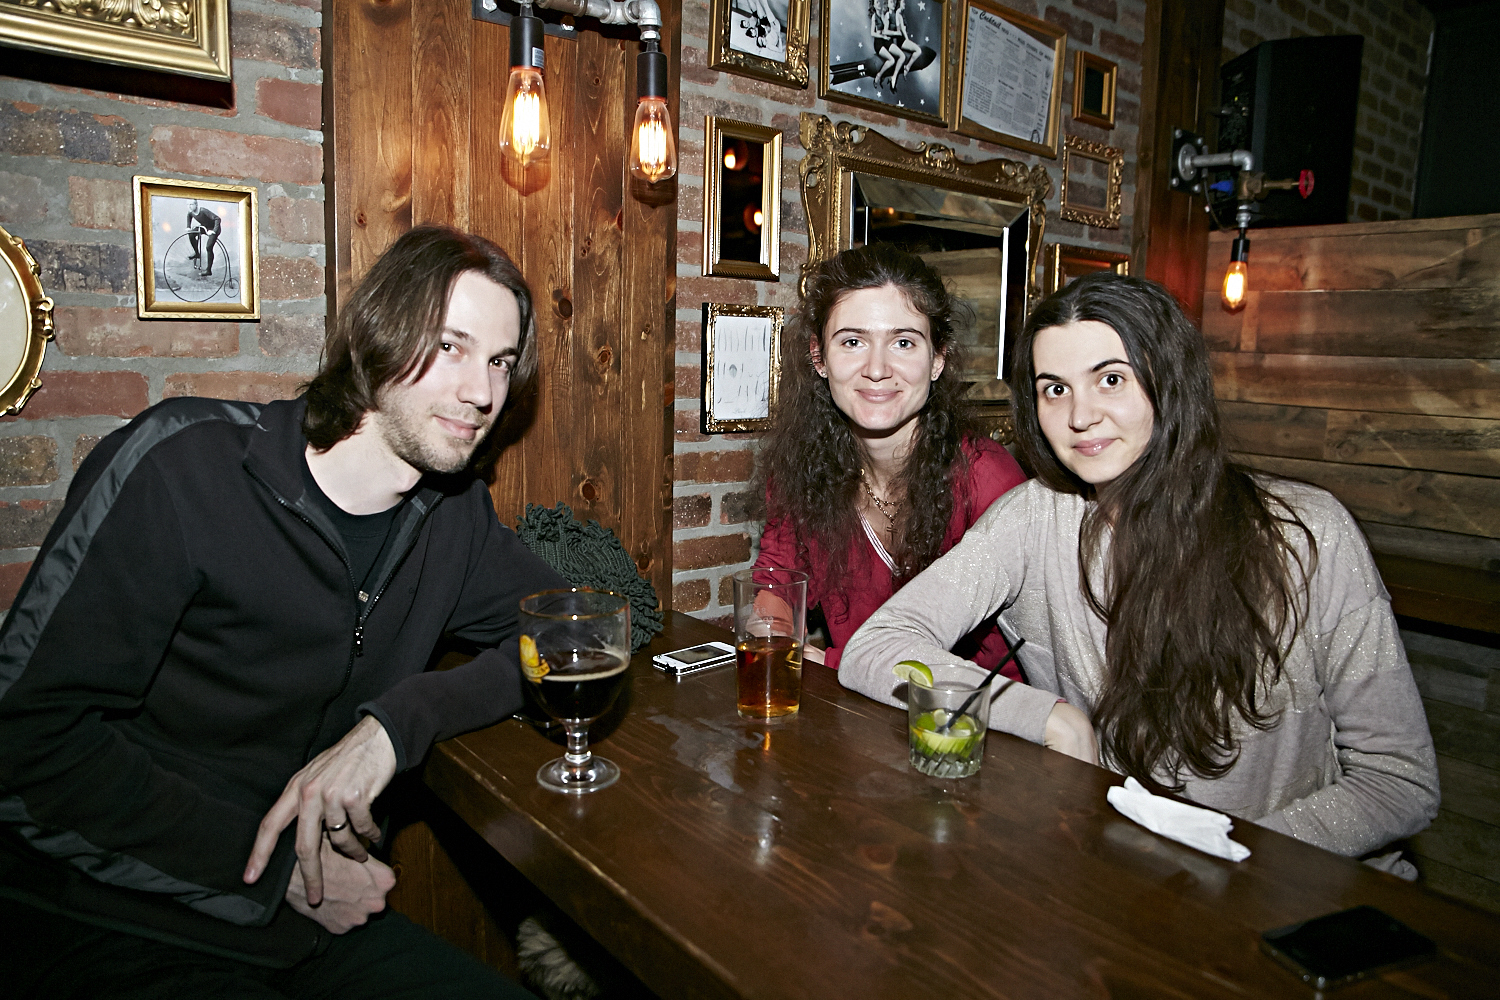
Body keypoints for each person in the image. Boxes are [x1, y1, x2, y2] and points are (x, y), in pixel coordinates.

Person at [0, 225, 566, 997]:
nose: (483, 392)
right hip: (112, 921)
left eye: (500, 361)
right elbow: (27, 743)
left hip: (307, 932)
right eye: (450, 346)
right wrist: (272, 874)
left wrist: (396, 725)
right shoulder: (183, 469)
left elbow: (577, 625)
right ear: (376, 337)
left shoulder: (454, 518)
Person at [840, 271, 1439, 872]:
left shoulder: (1305, 534)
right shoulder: (1036, 519)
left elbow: (1399, 782)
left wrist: (1230, 856)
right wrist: (1047, 715)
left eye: (1110, 379)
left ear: (1168, 381)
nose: (1081, 416)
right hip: (1122, 878)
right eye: (1054, 389)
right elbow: (880, 645)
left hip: (1286, 890)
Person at [752, 243, 1027, 672]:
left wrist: (832, 661)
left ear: (938, 358)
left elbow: (997, 662)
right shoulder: (802, 468)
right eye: (853, 341)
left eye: (902, 342)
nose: (877, 369)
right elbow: (779, 579)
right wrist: (772, 631)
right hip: (854, 716)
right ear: (818, 356)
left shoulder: (988, 482)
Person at [186, 198, 223, 276]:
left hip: (213, 228)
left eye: (191, 204)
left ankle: (208, 270)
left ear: (196, 205)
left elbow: (217, 219)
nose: (189, 206)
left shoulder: (203, 211)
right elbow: (189, 215)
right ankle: (197, 253)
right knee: (191, 234)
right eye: (188, 205)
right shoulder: (191, 212)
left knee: (209, 247)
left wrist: (214, 231)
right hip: (204, 227)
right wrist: (188, 227)